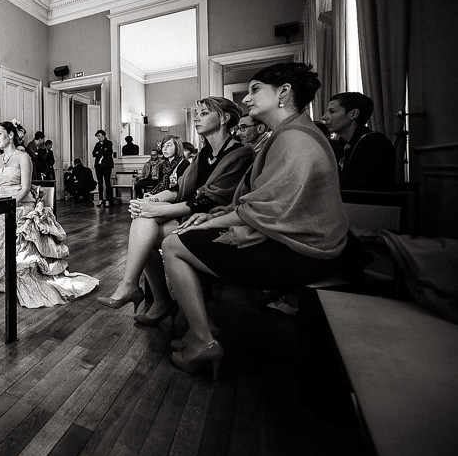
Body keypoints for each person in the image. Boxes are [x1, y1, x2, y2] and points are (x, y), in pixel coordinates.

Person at [162, 63, 352, 378]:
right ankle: (200, 330)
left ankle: (203, 338)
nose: (246, 100)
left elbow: (270, 207)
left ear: (284, 92)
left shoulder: (295, 138)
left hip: (305, 252)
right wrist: (215, 215)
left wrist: (207, 222)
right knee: (184, 232)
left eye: (254, 90)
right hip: (297, 240)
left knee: (174, 244)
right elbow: (263, 200)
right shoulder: (291, 132)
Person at [98, 97, 254, 323]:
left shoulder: (241, 153)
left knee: (146, 223)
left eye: (203, 113)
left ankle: (152, 297)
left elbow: (209, 202)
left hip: (218, 221)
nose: (197, 118)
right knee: (143, 224)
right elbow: (178, 189)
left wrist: (155, 210)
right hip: (192, 217)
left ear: (224, 118)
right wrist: (150, 200)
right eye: (197, 113)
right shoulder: (203, 155)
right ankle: (138, 289)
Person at [0, 121, 99, 307]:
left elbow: (24, 189)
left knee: (4, 226)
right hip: (2, 203)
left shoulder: (23, 157)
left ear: (10, 134)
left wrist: (6, 206)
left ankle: (9, 273)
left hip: (21, 204)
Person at [320, 91, 397, 191]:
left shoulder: (376, 144)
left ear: (353, 114)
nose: (324, 117)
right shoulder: (342, 145)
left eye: (332, 112)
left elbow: (361, 191)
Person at [92, 130, 114, 207]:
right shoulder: (97, 144)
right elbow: (94, 153)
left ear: (104, 136)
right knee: (100, 183)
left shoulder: (109, 143)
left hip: (107, 165)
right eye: (97, 136)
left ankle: (108, 200)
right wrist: (101, 151)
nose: (98, 138)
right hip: (98, 166)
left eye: (100, 136)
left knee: (107, 182)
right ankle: (101, 199)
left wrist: (99, 152)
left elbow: (108, 152)